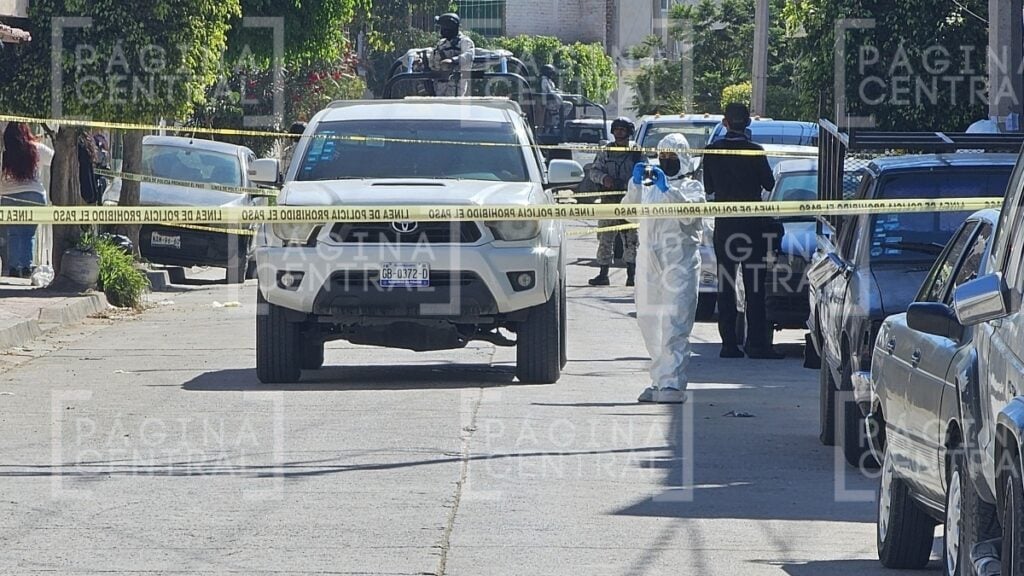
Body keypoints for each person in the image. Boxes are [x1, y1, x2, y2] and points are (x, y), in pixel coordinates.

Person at [626, 134, 705, 403]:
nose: (666, 161)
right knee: (649, 321)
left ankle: (673, 383)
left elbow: (689, 215)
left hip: (679, 262)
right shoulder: (649, 188)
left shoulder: (692, 187)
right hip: (648, 260)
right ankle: (660, 380)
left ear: (683, 157)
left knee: (675, 321)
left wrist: (668, 189)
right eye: (662, 157)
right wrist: (635, 185)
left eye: (672, 156)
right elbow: (628, 212)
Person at [702, 103, 783, 360]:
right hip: (752, 227)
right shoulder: (755, 151)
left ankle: (729, 344)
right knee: (755, 287)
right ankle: (756, 344)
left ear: (725, 123)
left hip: (725, 226)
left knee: (726, 284)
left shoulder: (712, 151)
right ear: (747, 123)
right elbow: (769, 183)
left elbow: (708, 187)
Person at [588, 117, 642, 286]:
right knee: (605, 238)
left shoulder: (636, 151)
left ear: (629, 132)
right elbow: (593, 171)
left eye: (622, 129)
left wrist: (633, 182)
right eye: (616, 129)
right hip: (609, 201)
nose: (619, 132)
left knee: (631, 239)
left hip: (629, 200)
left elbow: (645, 170)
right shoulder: (606, 151)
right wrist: (604, 178)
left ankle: (632, 275)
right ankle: (603, 274)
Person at [1, 122, 53, 278]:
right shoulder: (36, 148)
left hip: (9, 196)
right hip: (34, 195)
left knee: (13, 233)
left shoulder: (5, 153)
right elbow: (54, 158)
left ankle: (13, 267)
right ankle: (26, 267)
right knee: (29, 233)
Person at [429, 13, 475, 97]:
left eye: (443, 27)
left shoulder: (464, 42)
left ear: (449, 27)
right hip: (440, 88)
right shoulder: (442, 43)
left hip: (456, 88)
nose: (441, 30)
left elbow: (469, 56)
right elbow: (433, 62)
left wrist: (453, 61)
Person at [539, 64, 573, 131]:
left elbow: (554, 90)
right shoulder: (544, 80)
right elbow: (548, 92)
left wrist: (562, 93)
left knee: (568, 104)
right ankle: (557, 120)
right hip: (548, 102)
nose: (552, 74)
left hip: (553, 101)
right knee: (567, 105)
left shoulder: (549, 81)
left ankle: (557, 118)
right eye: (551, 72)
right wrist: (557, 94)